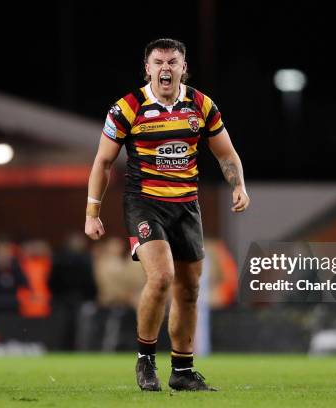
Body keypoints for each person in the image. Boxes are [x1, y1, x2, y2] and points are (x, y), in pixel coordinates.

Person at [85, 38, 250, 391]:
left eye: (172, 62)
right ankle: (145, 360)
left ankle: (183, 370)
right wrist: (92, 210)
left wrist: (238, 185)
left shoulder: (201, 105)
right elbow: (103, 162)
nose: (165, 68)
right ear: (147, 68)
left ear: (183, 66)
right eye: (158, 62)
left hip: (187, 207)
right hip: (145, 203)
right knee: (161, 277)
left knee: (189, 289)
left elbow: (226, 154)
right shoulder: (127, 108)